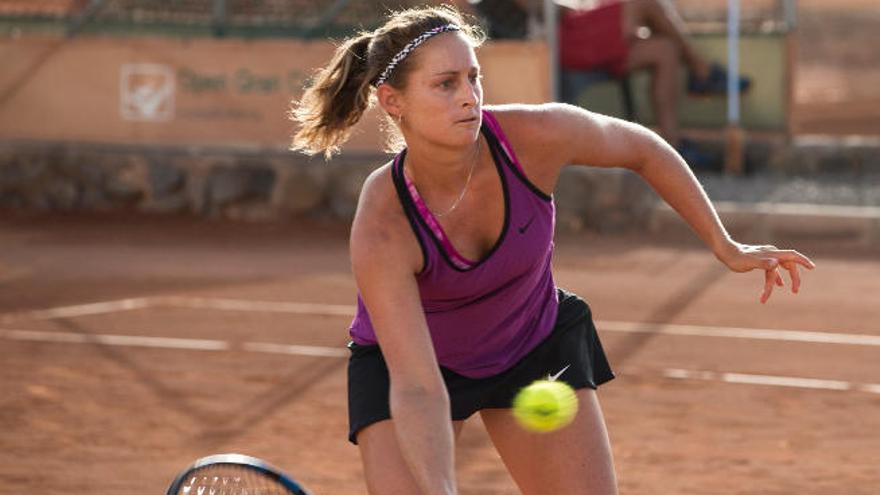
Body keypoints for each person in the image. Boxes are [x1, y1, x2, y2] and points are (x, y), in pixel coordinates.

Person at [290, 5, 814, 495]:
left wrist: (726, 245)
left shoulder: (534, 136)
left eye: (473, 77)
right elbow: (419, 387)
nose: (469, 96)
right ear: (393, 101)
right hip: (415, 368)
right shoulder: (384, 222)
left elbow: (643, 149)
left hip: (528, 341)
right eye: (445, 85)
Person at [556, 0, 752, 167]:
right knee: (644, 1)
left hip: (585, 28)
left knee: (665, 51)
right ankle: (702, 71)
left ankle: (672, 144)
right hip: (564, 37)